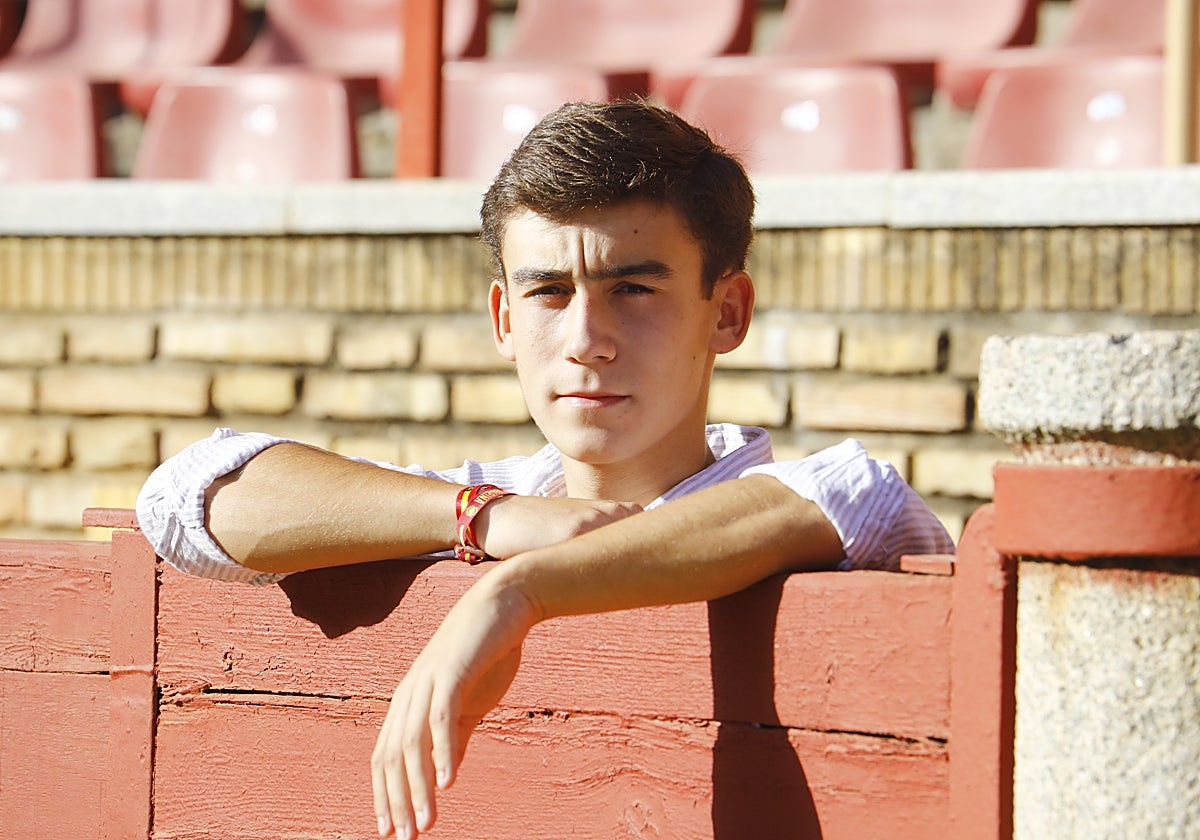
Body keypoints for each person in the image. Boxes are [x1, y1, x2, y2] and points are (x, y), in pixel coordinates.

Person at [136, 100, 954, 839]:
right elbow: (181, 496)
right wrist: (484, 517)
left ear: (728, 311)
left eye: (634, 288)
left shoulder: (796, 502)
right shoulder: (497, 499)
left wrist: (518, 590)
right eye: (550, 292)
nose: (585, 339)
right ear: (503, 317)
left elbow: (856, 494)